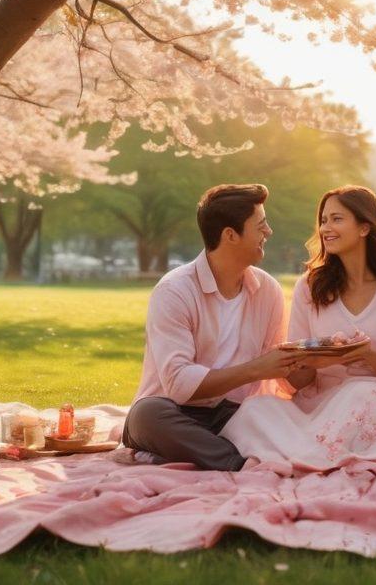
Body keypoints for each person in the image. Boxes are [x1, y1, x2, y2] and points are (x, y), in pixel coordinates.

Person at [221, 185, 376, 470]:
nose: (325, 228)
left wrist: (366, 355)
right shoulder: (310, 285)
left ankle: (305, 457)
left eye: (336, 219)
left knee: (360, 392)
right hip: (317, 404)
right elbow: (295, 380)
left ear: (365, 227)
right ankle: (314, 455)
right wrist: (308, 362)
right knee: (257, 408)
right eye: (323, 220)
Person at [121, 184, 303, 471]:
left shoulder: (267, 290)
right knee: (146, 415)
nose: (268, 232)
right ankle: (238, 462)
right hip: (172, 410)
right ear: (230, 235)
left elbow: (279, 372)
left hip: (231, 415)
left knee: (270, 413)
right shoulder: (174, 290)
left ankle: (198, 451)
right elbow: (180, 385)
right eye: (261, 226)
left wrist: (310, 361)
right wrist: (258, 368)